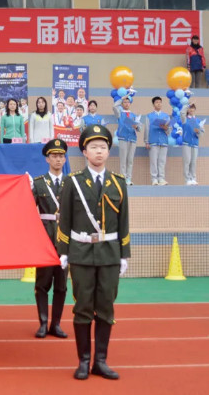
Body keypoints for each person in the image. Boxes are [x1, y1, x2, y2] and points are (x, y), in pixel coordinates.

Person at [56, 125, 130, 381]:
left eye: (103, 147)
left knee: (106, 308)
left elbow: (124, 222)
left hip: (109, 253)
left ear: (109, 151)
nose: (99, 151)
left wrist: (124, 254)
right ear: (85, 152)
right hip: (81, 252)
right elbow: (64, 220)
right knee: (83, 307)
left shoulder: (118, 183)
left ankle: (100, 361)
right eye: (94, 147)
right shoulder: (72, 182)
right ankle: (83, 361)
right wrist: (63, 251)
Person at [31, 139, 69, 339]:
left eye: (61, 156)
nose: (58, 159)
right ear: (47, 159)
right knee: (42, 283)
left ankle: (57, 324)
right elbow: (28, 210)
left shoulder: (72, 183)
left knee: (61, 285)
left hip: (64, 240)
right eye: (54, 156)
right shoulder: (38, 183)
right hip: (45, 240)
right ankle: (43, 323)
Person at [143, 97, 172, 185]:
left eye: (160, 102)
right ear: (153, 104)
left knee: (162, 161)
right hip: (153, 141)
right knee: (153, 161)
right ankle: (154, 179)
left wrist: (166, 128)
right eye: (156, 102)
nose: (159, 104)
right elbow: (147, 129)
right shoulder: (149, 116)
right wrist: (146, 141)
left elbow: (169, 131)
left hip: (163, 141)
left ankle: (161, 178)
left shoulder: (166, 116)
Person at [113, 96, 140, 185]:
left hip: (132, 138)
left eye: (128, 102)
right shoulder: (120, 113)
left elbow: (139, 128)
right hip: (123, 138)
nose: (126, 104)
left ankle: (128, 178)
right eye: (124, 102)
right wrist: (121, 98)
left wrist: (136, 127)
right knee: (123, 159)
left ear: (130, 103)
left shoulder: (133, 115)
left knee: (130, 160)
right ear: (122, 103)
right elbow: (114, 107)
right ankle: (122, 178)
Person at [180, 103, 204, 185]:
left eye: (193, 108)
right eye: (190, 108)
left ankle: (193, 178)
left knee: (193, 162)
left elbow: (201, 134)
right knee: (187, 161)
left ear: (195, 109)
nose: (191, 110)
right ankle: (187, 179)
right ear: (188, 110)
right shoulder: (185, 119)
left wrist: (198, 132)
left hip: (195, 144)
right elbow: (182, 113)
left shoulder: (198, 121)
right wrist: (186, 105)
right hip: (186, 143)